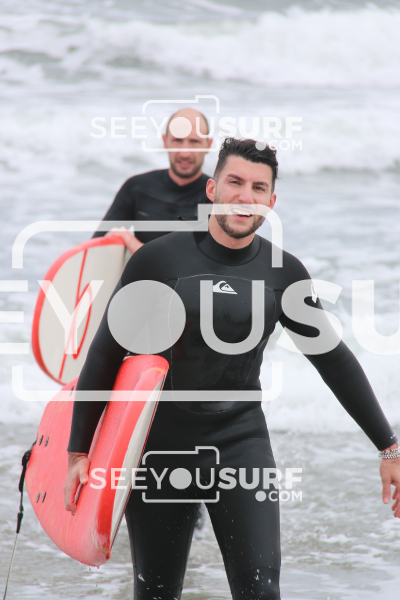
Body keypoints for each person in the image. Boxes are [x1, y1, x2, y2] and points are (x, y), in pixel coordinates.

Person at [64, 138, 400, 600]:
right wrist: (78, 452)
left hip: (241, 444)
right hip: (160, 447)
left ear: (271, 201)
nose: (245, 196)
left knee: (261, 591)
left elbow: (334, 361)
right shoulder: (158, 260)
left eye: (258, 188)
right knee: (156, 592)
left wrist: (388, 447)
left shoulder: (283, 273)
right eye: (235, 182)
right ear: (212, 188)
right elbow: (105, 354)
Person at [92, 107, 213, 254]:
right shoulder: (137, 188)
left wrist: (130, 241)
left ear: (208, 145)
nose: (185, 153)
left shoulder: (216, 197)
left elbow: (195, 262)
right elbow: (94, 249)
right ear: (165, 142)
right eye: (177, 140)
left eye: (194, 142)